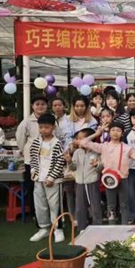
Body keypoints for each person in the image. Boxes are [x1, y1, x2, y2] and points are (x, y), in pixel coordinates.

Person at [77, 121, 135, 225]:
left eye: (118, 130)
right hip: (109, 179)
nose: (115, 132)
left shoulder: (126, 148)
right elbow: (83, 143)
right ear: (109, 132)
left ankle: (124, 226)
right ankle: (111, 225)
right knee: (111, 205)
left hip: (123, 179)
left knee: (124, 204)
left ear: (122, 133)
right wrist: (97, 133)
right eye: (113, 130)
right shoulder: (104, 146)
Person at [29, 113, 66, 243]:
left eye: (46, 127)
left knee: (55, 205)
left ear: (53, 128)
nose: (43, 130)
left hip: (53, 181)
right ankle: (43, 228)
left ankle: (58, 229)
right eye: (41, 127)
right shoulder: (36, 142)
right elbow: (33, 158)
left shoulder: (57, 143)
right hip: (38, 179)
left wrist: (51, 177)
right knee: (40, 204)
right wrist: (33, 171)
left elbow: (60, 162)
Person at [16, 95, 51, 220]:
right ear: (32, 106)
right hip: (32, 160)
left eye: (43, 104)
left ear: (46, 106)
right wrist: (25, 151)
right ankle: (35, 213)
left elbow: (57, 136)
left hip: (48, 159)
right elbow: (20, 139)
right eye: (37, 104)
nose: (40, 106)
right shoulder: (26, 122)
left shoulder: (51, 119)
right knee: (33, 187)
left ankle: (49, 213)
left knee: (48, 186)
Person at [66, 128, 102, 231]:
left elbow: (100, 169)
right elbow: (73, 168)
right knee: (80, 207)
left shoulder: (97, 152)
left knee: (95, 206)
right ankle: (82, 227)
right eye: (77, 139)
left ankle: (97, 227)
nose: (78, 141)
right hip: (79, 183)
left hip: (92, 182)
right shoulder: (77, 152)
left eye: (81, 139)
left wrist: (97, 165)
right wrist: (69, 161)